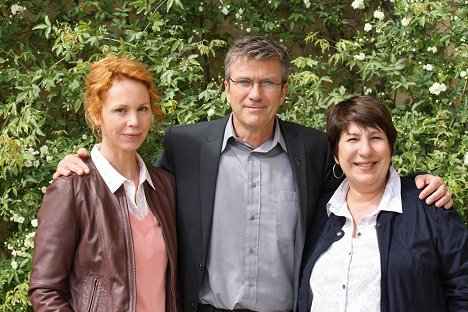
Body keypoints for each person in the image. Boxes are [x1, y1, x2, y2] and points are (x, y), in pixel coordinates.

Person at [53, 37, 453, 312]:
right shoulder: (187, 146)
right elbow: (137, 186)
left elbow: (362, 175)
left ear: (284, 90)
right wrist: (82, 166)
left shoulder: (312, 149)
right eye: (244, 81)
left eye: (267, 82)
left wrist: (417, 182)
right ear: (226, 88)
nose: (254, 93)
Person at [29, 56, 178, 312]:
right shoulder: (72, 189)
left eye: (142, 108)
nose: (134, 121)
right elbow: (45, 291)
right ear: (97, 114)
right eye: (121, 110)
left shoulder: (164, 185)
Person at [298, 96, 468, 312]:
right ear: (336, 155)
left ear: (390, 147)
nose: (365, 150)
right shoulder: (321, 212)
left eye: (376, 137)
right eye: (352, 139)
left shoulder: (429, 206)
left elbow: (462, 288)